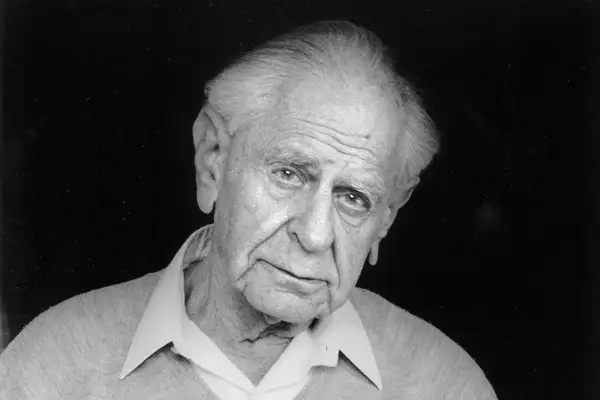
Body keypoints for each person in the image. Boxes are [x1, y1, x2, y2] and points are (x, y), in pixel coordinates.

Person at [0, 20, 497, 399]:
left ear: (386, 218)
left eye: (353, 198)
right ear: (213, 160)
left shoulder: (445, 386)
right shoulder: (52, 369)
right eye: (289, 174)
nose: (315, 235)